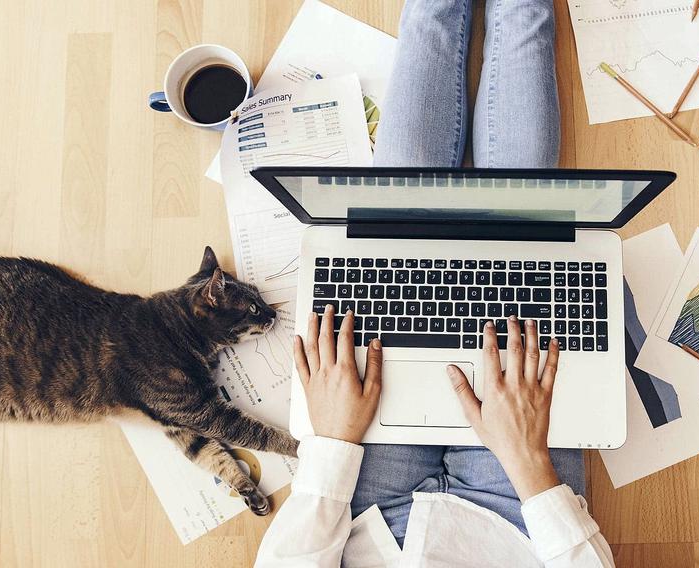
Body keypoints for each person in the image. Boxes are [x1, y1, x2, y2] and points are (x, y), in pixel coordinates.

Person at [254, 1, 614, 565]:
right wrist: (529, 461)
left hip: (365, 519)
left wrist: (331, 445)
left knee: (398, 235)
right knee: (526, 244)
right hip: (517, 519)